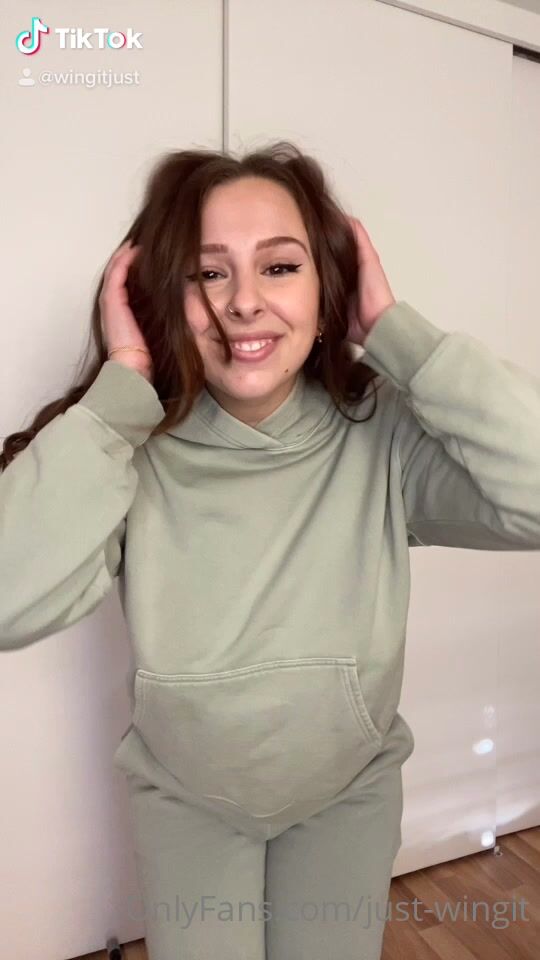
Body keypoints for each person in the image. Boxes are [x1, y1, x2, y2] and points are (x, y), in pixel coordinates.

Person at [1, 141, 539, 960]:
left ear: (329, 297)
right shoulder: (126, 450)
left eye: (280, 267)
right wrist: (118, 392)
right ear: (162, 298)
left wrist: (397, 335)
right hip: (187, 802)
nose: (244, 301)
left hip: (346, 796)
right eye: (207, 273)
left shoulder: (384, 438)